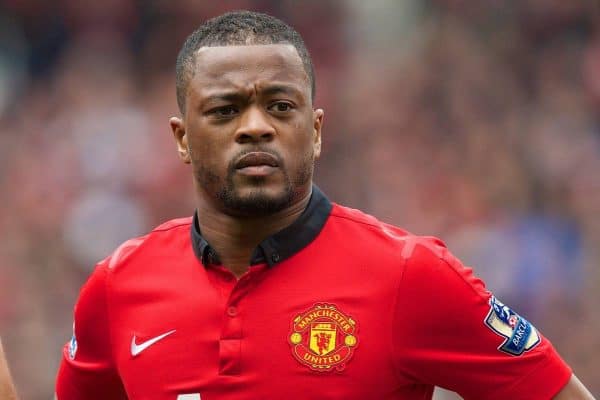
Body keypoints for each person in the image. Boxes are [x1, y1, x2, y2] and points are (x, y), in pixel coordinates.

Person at [55, 10, 595, 400]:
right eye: (225, 110)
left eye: (280, 105)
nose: (256, 126)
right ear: (180, 138)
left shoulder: (411, 275)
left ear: (314, 131)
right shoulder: (117, 286)